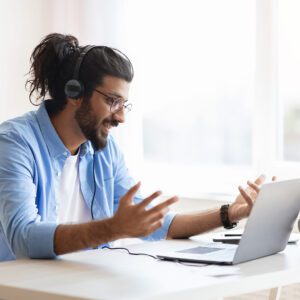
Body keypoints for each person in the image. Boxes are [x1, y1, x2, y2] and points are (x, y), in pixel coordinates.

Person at [0, 33, 265, 261]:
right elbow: (23, 237)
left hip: (80, 287)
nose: (121, 117)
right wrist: (112, 229)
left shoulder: (104, 150)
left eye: (123, 104)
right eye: (112, 101)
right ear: (74, 93)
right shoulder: (15, 143)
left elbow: (157, 225)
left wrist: (230, 213)